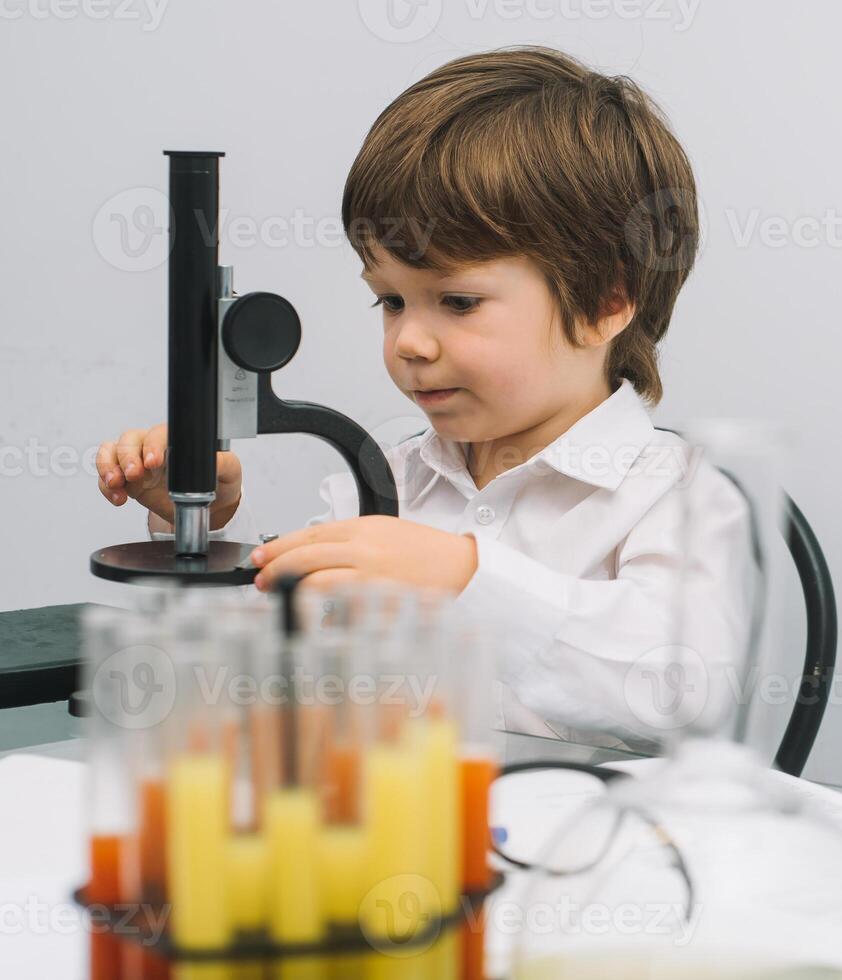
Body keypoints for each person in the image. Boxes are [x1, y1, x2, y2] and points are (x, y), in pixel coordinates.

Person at [92, 47, 755, 748]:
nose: (410, 340)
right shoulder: (383, 480)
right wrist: (208, 530)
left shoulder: (677, 496)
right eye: (390, 300)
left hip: (591, 846)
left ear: (605, 300)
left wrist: (465, 579)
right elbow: (276, 671)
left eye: (457, 301)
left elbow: (686, 691)